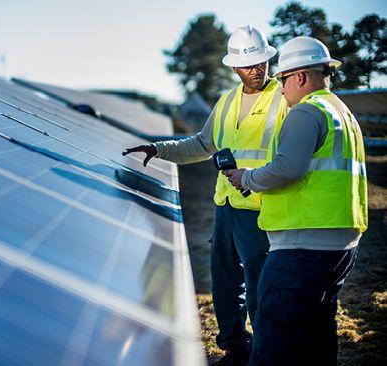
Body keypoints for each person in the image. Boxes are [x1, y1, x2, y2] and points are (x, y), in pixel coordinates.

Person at [123, 26, 287, 366]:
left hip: (261, 207)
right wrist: (159, 148)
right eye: (249, 64)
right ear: (234, 68)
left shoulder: (285, 99)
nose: (258, 69)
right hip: (226, 206)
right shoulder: (226, 102)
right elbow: (201, 144)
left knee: (259, 287)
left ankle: (263, 354)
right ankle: (235, 348)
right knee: (225, 283)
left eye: (262, 62)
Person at [223, 36, 368, 366]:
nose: (282, 91)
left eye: (284, 81)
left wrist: (246, 178)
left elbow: (287, 168)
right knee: (316, 334)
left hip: (302, 247)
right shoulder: (342, 113)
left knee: (275, 338)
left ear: (299, 76)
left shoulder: (306, 112)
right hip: (340, 245)